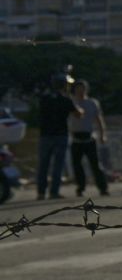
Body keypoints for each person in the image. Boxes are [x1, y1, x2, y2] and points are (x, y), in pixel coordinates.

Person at [36, 70, 82, 200]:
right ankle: (54, 192)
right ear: (64, 85)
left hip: (45, 135)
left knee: (43, 165)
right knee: (58, 165)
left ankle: (40, 192)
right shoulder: (65, 99)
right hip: (60, 135)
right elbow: (78, 114)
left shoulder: (44, 98)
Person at [69, 80, 109, 198]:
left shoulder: (92, 103)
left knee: (95, 165)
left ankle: (103, 188)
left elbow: (99, 120)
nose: (81, 91)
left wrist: (103, 135)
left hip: (89, 138)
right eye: (78, 88)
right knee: (77, 165)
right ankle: (80, 188)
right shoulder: (71, 102)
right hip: (76, 139)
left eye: (83, 88)